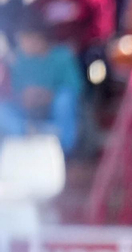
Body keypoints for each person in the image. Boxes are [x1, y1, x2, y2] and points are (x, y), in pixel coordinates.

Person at [0, 16, 82, 153]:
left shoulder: (63, 56)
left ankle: (64, 146)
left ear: (39, 39)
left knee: (65, 100)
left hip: (55, 111)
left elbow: (75, 87)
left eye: (25, 40)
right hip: (29, 114)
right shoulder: (19, 59)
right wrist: (24, 97)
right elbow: (15, 91)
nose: (22, 44)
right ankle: (26, 132)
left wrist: (49, 95)